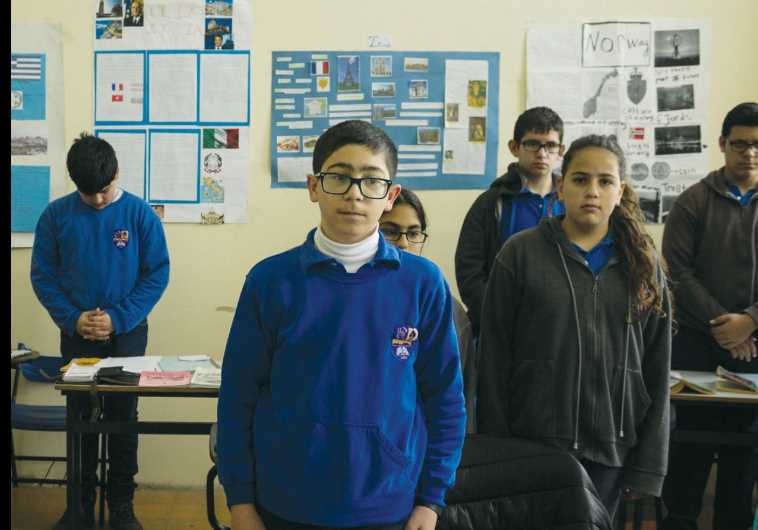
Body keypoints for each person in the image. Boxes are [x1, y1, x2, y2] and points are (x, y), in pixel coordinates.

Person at [218, 120, 466, 530]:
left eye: (372, 180)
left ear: (391, 195)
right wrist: (240, 500)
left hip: (390, 505)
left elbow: (445, 400)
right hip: (286, 502)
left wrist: (431, 500)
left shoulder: (423, 283)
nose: (355, 193)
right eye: (339, 177)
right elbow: (237, 397)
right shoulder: (270, 281)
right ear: (313, 187)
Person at [477, 134, 672, 521]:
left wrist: (649, 466)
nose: (592, 191)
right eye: (581, 179)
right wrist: (495, 449)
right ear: (561, 186)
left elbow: (657, 369)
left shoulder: (644, 264)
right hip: (532, 444)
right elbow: (493, 360)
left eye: (605, 181)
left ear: (620, 191)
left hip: (611, 448)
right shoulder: (520, 253)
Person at [31, 133, 170, 530]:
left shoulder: (140, 214)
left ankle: (121, 504)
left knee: (123, 419)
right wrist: (72, 318)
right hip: (76, 336)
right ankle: (79, 504)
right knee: (81, 419)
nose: (96, 200)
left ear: (117, 173)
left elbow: (157, 274)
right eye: (87, 193)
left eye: (104, 191)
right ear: (74, 182)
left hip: (128, 336)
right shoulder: (56, 216)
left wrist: (119, 318)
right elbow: (43, 276)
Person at [660, 102, 758, 530]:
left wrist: (750, 320)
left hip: (754, 351)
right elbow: (677, 274)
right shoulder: (693, 201)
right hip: (697, 346)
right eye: (740, 144)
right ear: (722, 144)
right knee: (687, 459)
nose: (749, 153)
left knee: (742, 464)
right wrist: (726, 326)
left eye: (757, 145)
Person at [455, 106, 565, 334]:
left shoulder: (571, 201)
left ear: (561, 150)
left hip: (560, 324)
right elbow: (469, 269)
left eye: (550, 145)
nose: (542, 153)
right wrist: (495, 314)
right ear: (514, 147)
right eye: (532, 144)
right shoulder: (491, 203)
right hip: (501, 326)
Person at [379, 188, 477, 432]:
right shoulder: (352, 296)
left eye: (413, 233)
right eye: (390, 231)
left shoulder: (447, 308)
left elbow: (459, 394)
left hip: (423, 439)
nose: (403, 243)